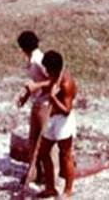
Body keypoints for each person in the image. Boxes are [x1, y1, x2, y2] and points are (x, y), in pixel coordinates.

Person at [36, 50, 77, 199]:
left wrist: (53, 98)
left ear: (54, 68)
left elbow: (67, 110)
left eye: (47, 69)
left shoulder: (67, 83)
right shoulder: (55, 77)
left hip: (64, 121)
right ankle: (50, 187)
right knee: (43, 151)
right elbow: (49, 84)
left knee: (65, 155)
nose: (46, 72)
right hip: (52, 118)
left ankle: (68, 190)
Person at [16, 30, 50, 185]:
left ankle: (48, 178)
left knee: (44, 142)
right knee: (33, 141)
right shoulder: (31, 60)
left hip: (47, 104)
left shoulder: (39, 60)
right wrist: (26, 96)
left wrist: (36, 86)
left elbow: (55, 81)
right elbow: (33, 84)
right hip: (37, 102)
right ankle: (33, 173)